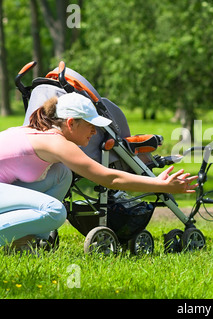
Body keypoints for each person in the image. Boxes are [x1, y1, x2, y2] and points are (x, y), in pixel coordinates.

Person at [0, 92, 197, 252]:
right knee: (54, 211)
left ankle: (25, 240)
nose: (94, 132)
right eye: (90, 125)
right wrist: (160, 185)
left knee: (62, 174)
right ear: (70, 123)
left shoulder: (44, 133)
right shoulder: (55, 142)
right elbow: (109, 178)